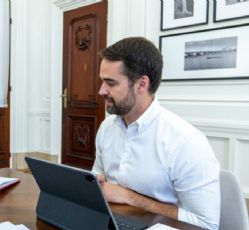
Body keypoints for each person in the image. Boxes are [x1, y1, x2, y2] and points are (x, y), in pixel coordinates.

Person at [92, 37, 220, 229]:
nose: (101, 90)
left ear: (141, 84)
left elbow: (205, 224)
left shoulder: (186, 142)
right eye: (102, 81)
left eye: (111, 83)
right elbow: (98, 180)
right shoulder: (107, 128)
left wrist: (130, 198)